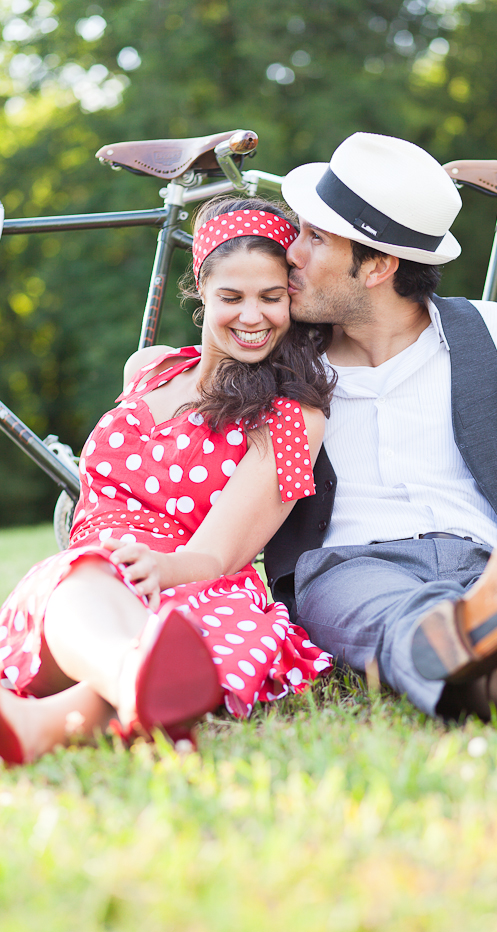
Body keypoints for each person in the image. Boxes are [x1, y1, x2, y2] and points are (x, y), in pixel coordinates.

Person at [264, 132, 497, 729]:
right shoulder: (280, 356)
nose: (290, 253)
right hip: (352, 568)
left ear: (377, 265)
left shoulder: (490, 331)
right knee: (391, 616)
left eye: (315, 237)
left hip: (495, 562)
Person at [0, 196, 334, 764]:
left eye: (271, 298)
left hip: (195, 589)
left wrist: (157, 566)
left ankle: (56, 716)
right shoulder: (149, 368)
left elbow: (218, 556)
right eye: (232, 297)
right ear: (201, 291)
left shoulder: (292, 416)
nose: (252, 316)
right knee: (87, 583)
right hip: (90, 585)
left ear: (291, 301)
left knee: (103, 588)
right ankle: (138, 680)